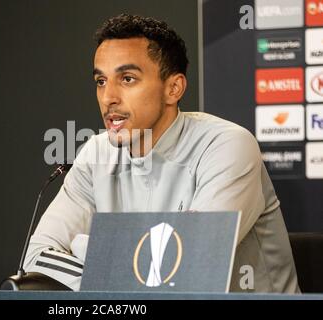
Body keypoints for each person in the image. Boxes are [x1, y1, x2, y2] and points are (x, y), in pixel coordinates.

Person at [23, 14, 300, 293]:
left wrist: (91, 249)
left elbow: (187, 267)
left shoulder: (227, 146)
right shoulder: (95, 153)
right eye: (101, 81)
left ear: (173, 88)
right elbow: (35, 260)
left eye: (127, 79)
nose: (108, 98)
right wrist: (117, 270)